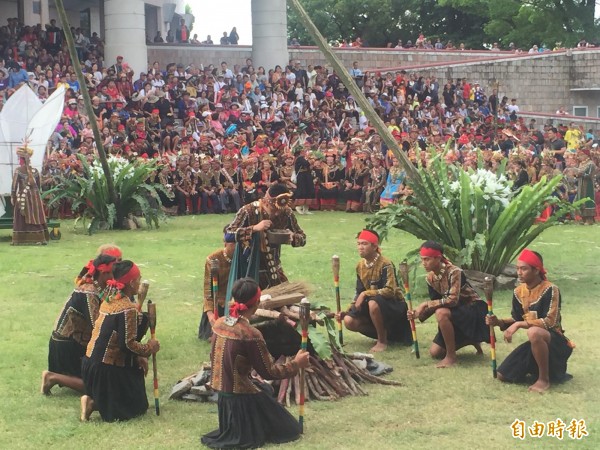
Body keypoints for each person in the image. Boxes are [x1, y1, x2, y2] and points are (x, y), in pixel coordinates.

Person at [201, 277, 309, 449]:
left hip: (223, 398)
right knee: (291, 430)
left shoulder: (219, 323)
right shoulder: (251, 334)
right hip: (240, 398)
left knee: (265, 388)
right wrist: (296, 363)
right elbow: (270, 373)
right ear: (257, 303)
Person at [80, 260, 160, 421]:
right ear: (131, 283)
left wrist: (139, 357)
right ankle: (93, 404)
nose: (140, 281)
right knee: (137, 407)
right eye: (138, 278)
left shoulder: (109, 299)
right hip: (104, 370)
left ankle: (97, 399)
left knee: (135, 377)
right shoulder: (128, 309)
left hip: (89, 365)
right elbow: (127, 345)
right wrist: (148, 348)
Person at [486, 249, 574, 393]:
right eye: (518, 268)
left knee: (534, 332)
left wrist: (519, 324)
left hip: (556, 342)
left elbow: (549, 322)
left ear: (536, 270)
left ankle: (543, 379)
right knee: (503, 375)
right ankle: (534, 367)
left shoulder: (551, 289)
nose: (519, 272)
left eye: (524, 269)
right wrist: (498, 322)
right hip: (537, 341)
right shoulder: (518, 292)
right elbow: (516, 319)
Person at [41, 254, 117, 395]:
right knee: (96, 386)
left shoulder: (97, 287)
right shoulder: (89, 292)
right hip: (67, 346)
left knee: (105, 381)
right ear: (104, 273)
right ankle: (52, 377)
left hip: (73, 342)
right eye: (114, 272)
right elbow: (98, 326)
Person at [407, 241, 489, 368]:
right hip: (454, 312)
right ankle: (471, 339)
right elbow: (436, 302)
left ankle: (451, 357)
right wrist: (418, 314)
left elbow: (452, 300)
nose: (424, 263)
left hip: (471, 309)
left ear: (438, 258)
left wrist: (425, 304)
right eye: (422, 259)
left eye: (427, 259)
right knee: (435, 353)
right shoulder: (430, 278)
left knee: (441, 313)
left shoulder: (455, 272)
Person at [342, 229, 411, 352]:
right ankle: (388, 334)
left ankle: (382, 341)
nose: (360, 247)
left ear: (374, 246)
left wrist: (365, 294)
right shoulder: (360, 265)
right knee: (348, 321)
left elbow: (390, 291)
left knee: (373, 303)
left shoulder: (386, 264)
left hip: (392, 305)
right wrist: (348, 310)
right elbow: (359, 290)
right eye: (358, 244)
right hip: (370, 304)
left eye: (364, 244)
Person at [226, 184, 306, 290]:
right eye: (274, 209)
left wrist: (293, 237)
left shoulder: (286, 213)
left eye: (280, 209)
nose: (277, 213)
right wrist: (254, 228)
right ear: (267, 202)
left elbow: (303, 238)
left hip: (273, 268)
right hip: (249, 268)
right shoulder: (248, 211)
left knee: (284, 301)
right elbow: (228, 235)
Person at [198, 232, 236, 340]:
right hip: (217, 303)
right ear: (225, 243)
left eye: (238, 243)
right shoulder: (213, 259)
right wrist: (210, 316)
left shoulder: (244, 258)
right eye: (232, 243)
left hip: (235, 303)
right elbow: (208, 290)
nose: (236, 247)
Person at [11, 144, 49, 245]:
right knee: (36, 216)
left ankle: (20, 239)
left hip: (23, 197)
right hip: (35, 198)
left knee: (21, 216)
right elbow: (39, 186)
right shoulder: (35, 171)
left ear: (21, 159)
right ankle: (40, 239)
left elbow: (14, 186)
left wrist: (13, 197)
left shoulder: (18, 170)